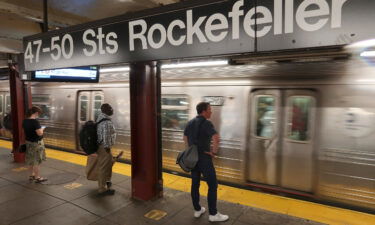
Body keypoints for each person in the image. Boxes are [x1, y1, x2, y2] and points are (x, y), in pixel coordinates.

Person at [183, 102, 229, 222]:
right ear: (204, 111)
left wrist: (191, 150)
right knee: (213, 185)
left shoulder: (190, 122)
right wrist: (213, 152)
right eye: (209, 109)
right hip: (204, 159)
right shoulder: (206, 123)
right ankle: (213, 214)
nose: (211, 111)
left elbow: (185, 138)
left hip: (193, 159)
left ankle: (197, 210)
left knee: (195, 184)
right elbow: (216, 138)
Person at [22, 106, 47, 183]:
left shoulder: (25, 121)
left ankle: (31, 175)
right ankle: (37, 177)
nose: (38, 115)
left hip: (28, 143)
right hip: (36, 144)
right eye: (38, 114)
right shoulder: (35, 122)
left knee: (30, 160)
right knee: (36, 161)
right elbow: (39, 133)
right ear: (36, 113)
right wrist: (42, 129)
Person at [96, 103, 117, 195]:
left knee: (108, 164)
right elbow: (106, 137)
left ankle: (107, 181)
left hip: (101, 147)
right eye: (110, 108)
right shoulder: (107, 122)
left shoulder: (100, 119)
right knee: (104, 168)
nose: (112, 109)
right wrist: (107, 148)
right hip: (104, 148)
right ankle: (102, 189)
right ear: (106, 110)